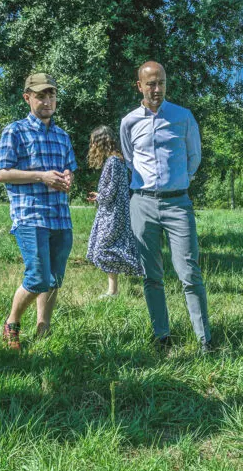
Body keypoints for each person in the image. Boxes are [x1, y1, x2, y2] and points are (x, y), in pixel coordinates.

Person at [120, 61, 213, 354]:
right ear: (139, 86)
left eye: (161, 83)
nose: (156, 89)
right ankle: (162, 336)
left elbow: (194, 157)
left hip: (178, 204)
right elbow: (129, 158)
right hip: (143, 203)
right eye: (150, 84)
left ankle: (204, 340)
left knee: (189, 272)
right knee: (151, 275)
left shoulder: (183, 117)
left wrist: (178, 180)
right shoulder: (129, 122)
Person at [0, 73, 77, 350]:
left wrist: (67, 179)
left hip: (60, 216)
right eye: (40, 95)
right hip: (30, 215)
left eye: (51, 95)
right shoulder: (15, 131)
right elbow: (1, 173)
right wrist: (41, 176)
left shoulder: (62, 135)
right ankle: (12, 322)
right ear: (27, 97)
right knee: (38, 277)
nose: (47, 100)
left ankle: (44, 327)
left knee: (54, 278)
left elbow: (69, 170)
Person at [85, 125, 143, 296]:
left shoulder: (114, 162)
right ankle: (113, 291)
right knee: (108, 248)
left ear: (101, 142)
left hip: (113, 214)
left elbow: (110, 192)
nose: (92, 146)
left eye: (94, 142)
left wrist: (99, 197)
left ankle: (137, 267)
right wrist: (99, 195)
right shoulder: (118, 160)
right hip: (113, 212)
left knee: (103, 249)